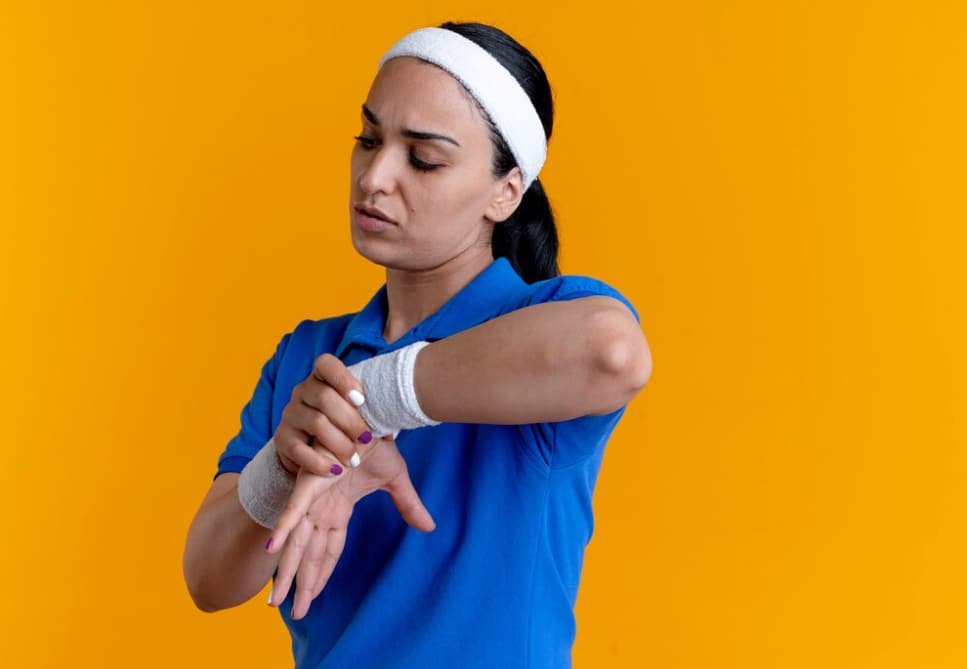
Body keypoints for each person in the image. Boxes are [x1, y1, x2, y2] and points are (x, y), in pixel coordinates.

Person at [183, 21, 652, 669]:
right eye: (367, 139)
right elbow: (207, 579)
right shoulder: (309, 355)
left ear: (505, 191)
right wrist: (289, 463)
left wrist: (373, 404)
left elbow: (614, 354)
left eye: (423, 158)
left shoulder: (542, 321)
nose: (375, 176)